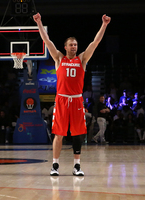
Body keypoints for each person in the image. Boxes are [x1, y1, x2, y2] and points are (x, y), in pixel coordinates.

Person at [33, 13, 111, 176]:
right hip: (61, 100)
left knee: (77, 134)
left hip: (76, 101)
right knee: (59, 134)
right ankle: (55, 165)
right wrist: (39, 23)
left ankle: (77, 166)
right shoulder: (59, 58)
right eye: (71, 45)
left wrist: (104, 25)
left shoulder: (82, 59)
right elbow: (47, 41)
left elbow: (95, 42)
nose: (74, 47)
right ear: (66, 47)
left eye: (75, 44)